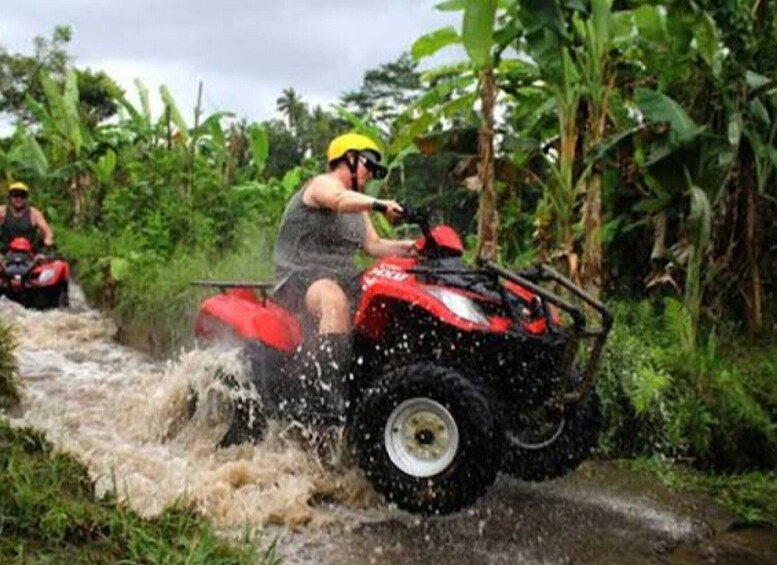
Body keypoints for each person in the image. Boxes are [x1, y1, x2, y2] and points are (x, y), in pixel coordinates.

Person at [271, 133, 416, 422]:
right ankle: (322, 396)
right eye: (369, 165)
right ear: (348, 158)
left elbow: (374, 247)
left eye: (376, 170)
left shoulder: (359, 208)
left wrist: (414, 247)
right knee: (334, 301)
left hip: (345, 277)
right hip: (301, 277)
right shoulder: (323, 185)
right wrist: (379, 203)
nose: (372, 174)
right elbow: (337, 200)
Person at [0, 181, 54, 254]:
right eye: (15, 195)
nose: (19, 199)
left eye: (22, 195)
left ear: (26, 198)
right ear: (10, 197)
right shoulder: (2, 211)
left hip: (30, 253)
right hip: (6, 252)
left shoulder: (34, 213)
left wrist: (48, 239)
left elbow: (47, 231)